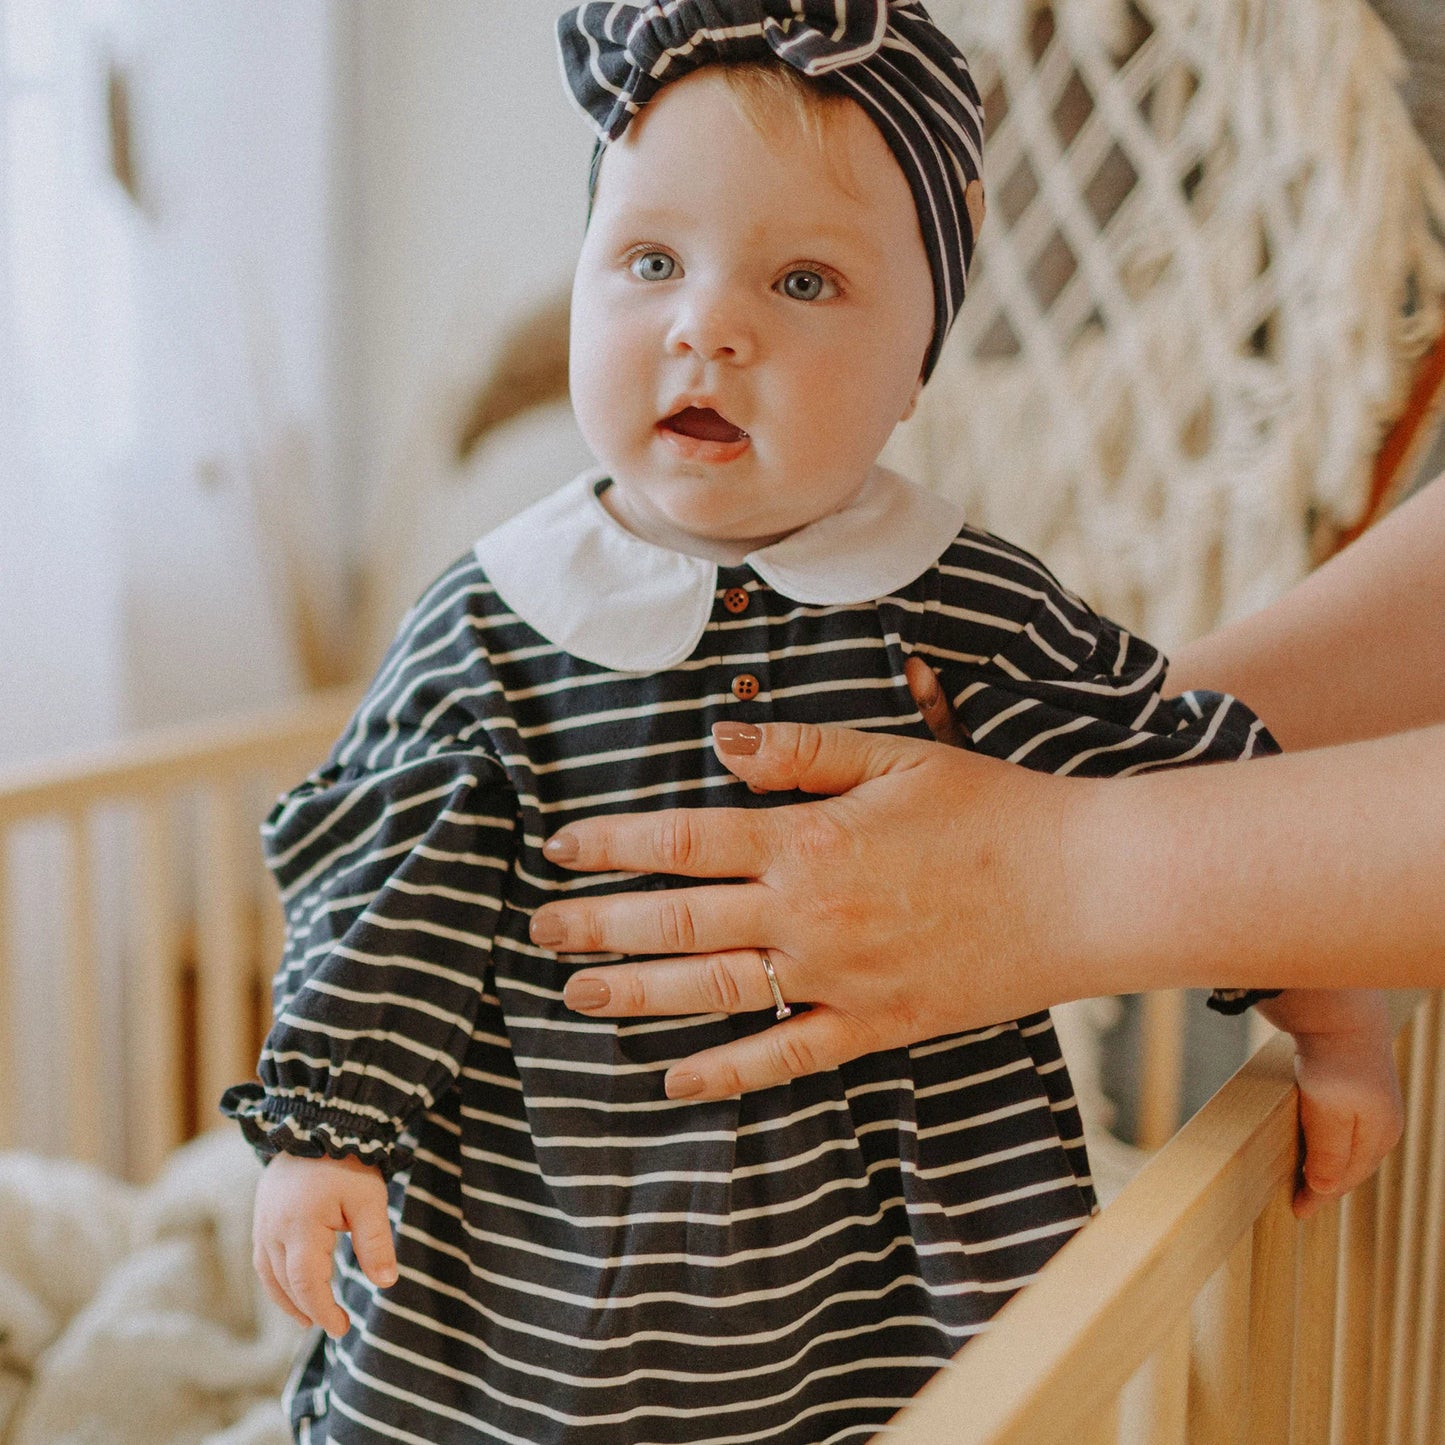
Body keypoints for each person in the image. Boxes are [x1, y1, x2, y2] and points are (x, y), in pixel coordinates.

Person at [224, 5, 1400, 1441]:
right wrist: (324, 1130)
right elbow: (386, 890)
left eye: (802, 280)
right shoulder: (493, 623)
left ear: (915, 366)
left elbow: (1168, 750)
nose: (707, 323)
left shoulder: (965, 605)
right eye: (649, 261)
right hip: (529, 1251)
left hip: (873, 1257)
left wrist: (1325, 1007)